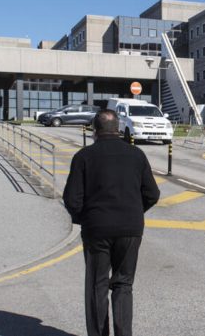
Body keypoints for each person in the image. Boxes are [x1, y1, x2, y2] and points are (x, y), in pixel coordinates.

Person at [63, 110, 160, 336]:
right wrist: (135, 211)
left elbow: (72, 200)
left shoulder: (84, 157)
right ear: (118, 129)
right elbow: (152, 194)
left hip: (96, 228)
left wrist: (84, 218)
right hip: (130, 228)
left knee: (97, 286)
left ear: (94, 131)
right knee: (123, 285)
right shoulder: (137, 155)